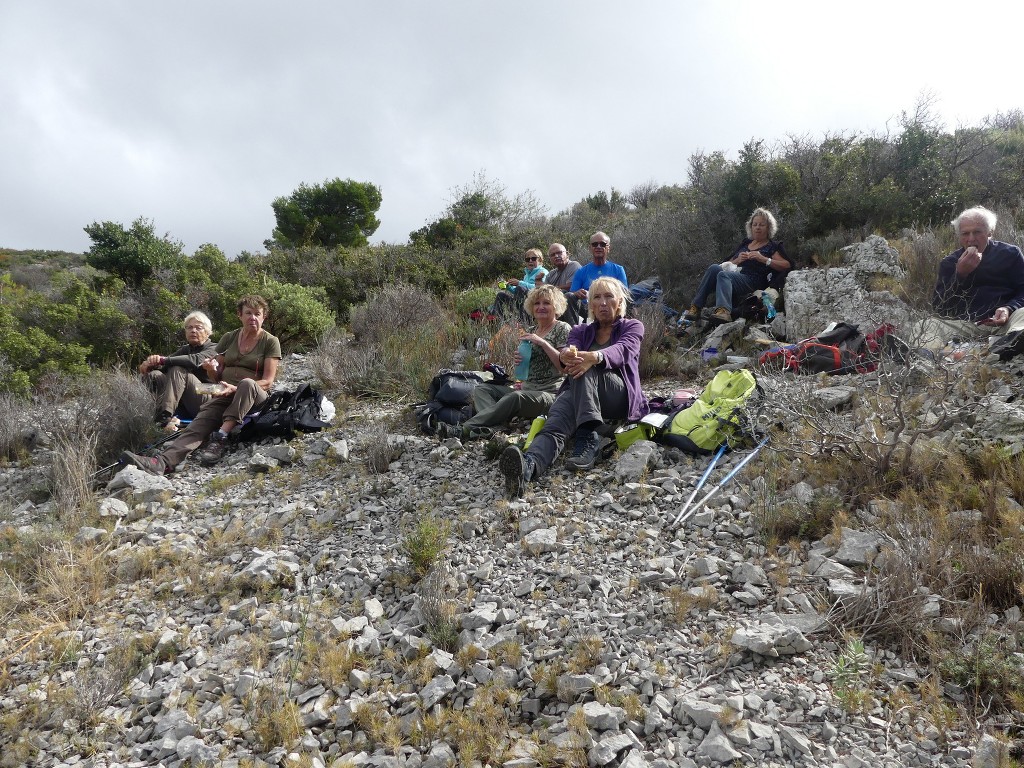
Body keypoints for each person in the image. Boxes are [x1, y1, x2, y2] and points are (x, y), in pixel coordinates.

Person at [499, 277, 647, 497]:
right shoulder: (580, 331)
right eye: (597, 297)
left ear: (620, 302)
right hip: (581, 394)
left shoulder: (632, 326)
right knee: (555, 423)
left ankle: (587, 434)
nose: (603, 303)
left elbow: (623, 351)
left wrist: (594, 357)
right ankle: (529, 467)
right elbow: (566, 360)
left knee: (585, 367)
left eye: (609, 297)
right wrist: (567, 355)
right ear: (591, 305)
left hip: (618, 396)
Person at [122, 295, 282, 474]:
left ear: (263, 317)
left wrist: (234, 388)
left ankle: (220, 436)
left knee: (246, 383)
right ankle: (163, 462)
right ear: (240, 315)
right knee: (197, 425)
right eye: (248, 313)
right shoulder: (229, 338)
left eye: (257, 314)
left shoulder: (270, 341)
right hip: (222, 391)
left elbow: (268, 382)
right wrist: (211, 370)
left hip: (254, 395)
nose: (253, 317)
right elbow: (216, 376)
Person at [438, 284, 571, 440]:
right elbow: (531, 366)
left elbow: (564, 367)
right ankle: (496, 426)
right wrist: (520, 362)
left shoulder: (562, 328)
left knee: (515, 398)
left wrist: (543, 343)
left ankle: (464, 429)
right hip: (528, 387)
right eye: (537, 303)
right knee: (482, 389)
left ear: (556, 306)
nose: (541, 307)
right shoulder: (533, 330)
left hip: (549, 393)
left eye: (546, 303)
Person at [932, 206, 1024, 357]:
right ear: (959, 236)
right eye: (965, 234)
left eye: (977, 232)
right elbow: (940, 307)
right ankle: (925, 357)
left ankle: (1007, 346)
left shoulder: (1010, 254)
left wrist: (1009, 308)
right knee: (928, 325)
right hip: (967, 324)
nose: (971, 239)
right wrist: (960, 275)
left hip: (1006, 322)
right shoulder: (950, 263)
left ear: (990, 232)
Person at [682, 208, 791, 325]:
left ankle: (724, 311)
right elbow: (728, 263)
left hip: (754, 280)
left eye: (762, 225)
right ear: (751, 227)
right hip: (737, 275)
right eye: (755, 224)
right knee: (714, 268)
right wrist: (737, 260)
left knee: (724, 275)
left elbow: (786, 265)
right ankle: (696, 307)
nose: (758, 227)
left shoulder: (772, 246)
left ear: (768, 227)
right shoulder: (746, 243)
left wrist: (763, 259)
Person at [139, 311, 217, 430]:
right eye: (189, 327)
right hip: (188, 397)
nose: (193, 330)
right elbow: (163, 367)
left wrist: (162, 360)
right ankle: (146, 414)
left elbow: (194, 360)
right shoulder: (186, 349)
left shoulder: (214, 348)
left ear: (207, 332)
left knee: (177, 369)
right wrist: (149, 365)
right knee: (154, 375)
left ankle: (165, 416)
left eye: (198, 328)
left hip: (209, 392)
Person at [566, 232, 629, 322]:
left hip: (610, 307)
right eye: (595, 244)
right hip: (588, 309)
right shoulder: (581, 271)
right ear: (590, 248)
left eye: (602, 244)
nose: (598, 247)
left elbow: (624, 293)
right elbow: (572, 294)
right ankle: (573, 332)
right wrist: (578, 293)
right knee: (568, 296)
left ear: (608, 248)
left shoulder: (618, 269)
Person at [493, 248, 549, 320]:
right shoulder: (527, 275)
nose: (530, 261)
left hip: (535, 302)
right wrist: (509, 287)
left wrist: (519, 283)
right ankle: (497, 319)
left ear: (540, 260)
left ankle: (523, 319)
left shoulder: (543, 272)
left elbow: (540, 288)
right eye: (527, 259)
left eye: (533, 258)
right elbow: (518, 292)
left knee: (520, 288)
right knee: (501, 295)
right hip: (521, 303)